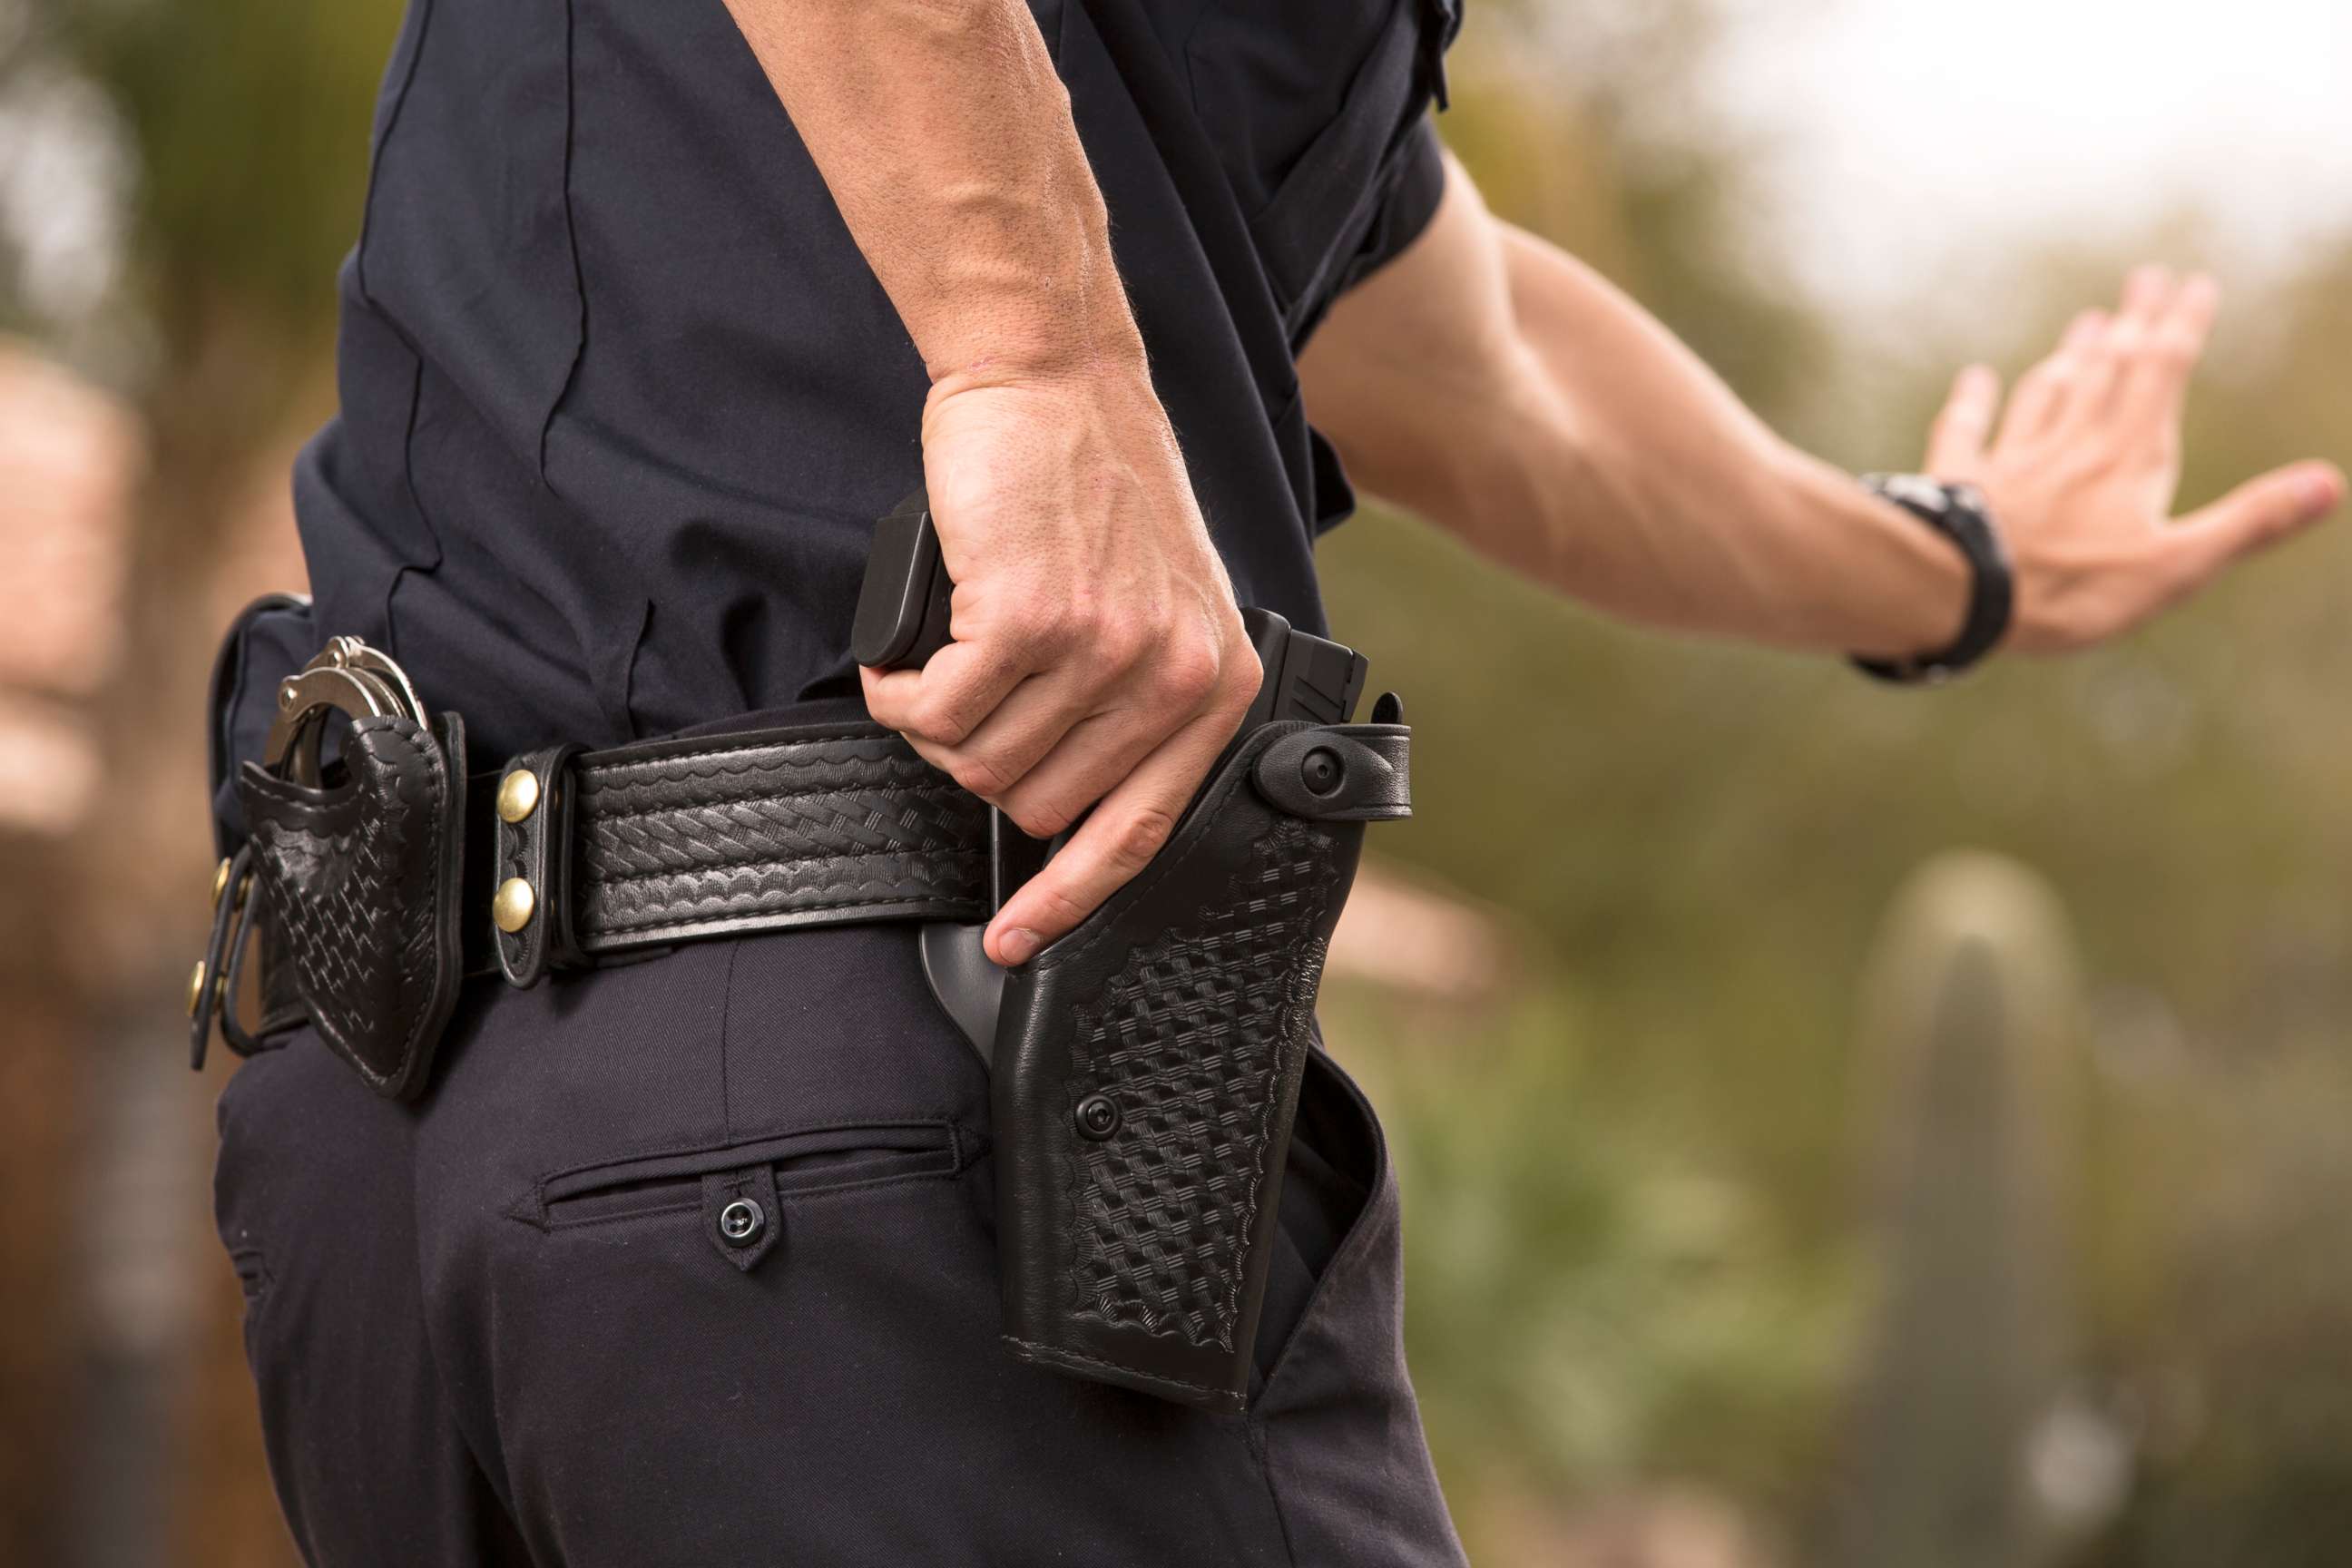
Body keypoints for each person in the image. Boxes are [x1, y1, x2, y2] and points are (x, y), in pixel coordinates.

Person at [206, 0, 2342, 1563]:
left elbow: (1474, 369)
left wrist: (1954, 566)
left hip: (399, 1156)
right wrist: (1026, 345)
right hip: (841, 1124)